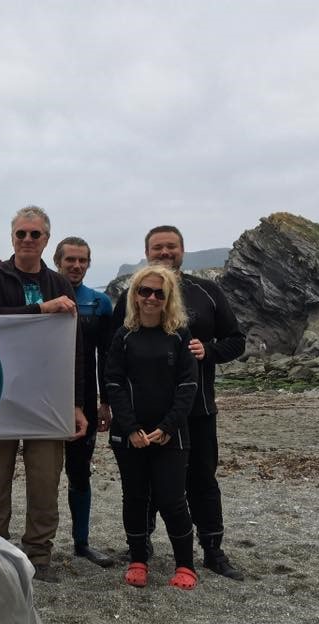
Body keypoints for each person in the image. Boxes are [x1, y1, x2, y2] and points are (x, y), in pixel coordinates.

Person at [112, 225, 246, 580]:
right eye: (158, 248)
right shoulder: (131, 296)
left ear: (182, 250)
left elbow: (236, 340)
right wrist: (107, 404)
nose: (165, 253)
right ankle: (142, 547)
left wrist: (210, 351)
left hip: (197, 407)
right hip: (144, 413)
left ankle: (213, 549)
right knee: (147, 484)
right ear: (147, 252)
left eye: (171, 247)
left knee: (201, 480)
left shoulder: (208, 291)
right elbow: (112, 356)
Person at [0, 206, 87, 584]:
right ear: (12, 238)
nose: (27, 240)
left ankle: (39, 554)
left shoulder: (60, 282)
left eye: (34, 235)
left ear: (46, 240)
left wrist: (77, 403)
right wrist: (41, 309)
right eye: (21, 233)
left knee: (44, 482)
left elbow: (75, 346)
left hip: (47, 396)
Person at [105, 266, 199, 590]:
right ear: (135, 294)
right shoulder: (124, 335)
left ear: (169, 297)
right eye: (145, 291)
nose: (151, 298)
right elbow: (114, 383)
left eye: (159, 293)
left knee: (172, 499)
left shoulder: (179, 335)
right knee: (135, 497)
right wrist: (130, 428)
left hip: (171, 434)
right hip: (131, 436)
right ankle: (138, 558)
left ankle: (185, 564)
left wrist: (168, 426)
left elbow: (188, 385)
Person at [53, 237, 114, 568]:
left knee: (79, 473)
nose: (76, 266)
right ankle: (40, 541)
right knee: (44, 476)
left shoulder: (99, 303)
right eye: (70, 260)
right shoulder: (44, 297)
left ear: (89, 264)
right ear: (57, 261)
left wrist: (106, 402)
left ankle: (82, 543)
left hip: (86, 400)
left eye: (82, 260)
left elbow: (107, 356)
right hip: (46, 398)